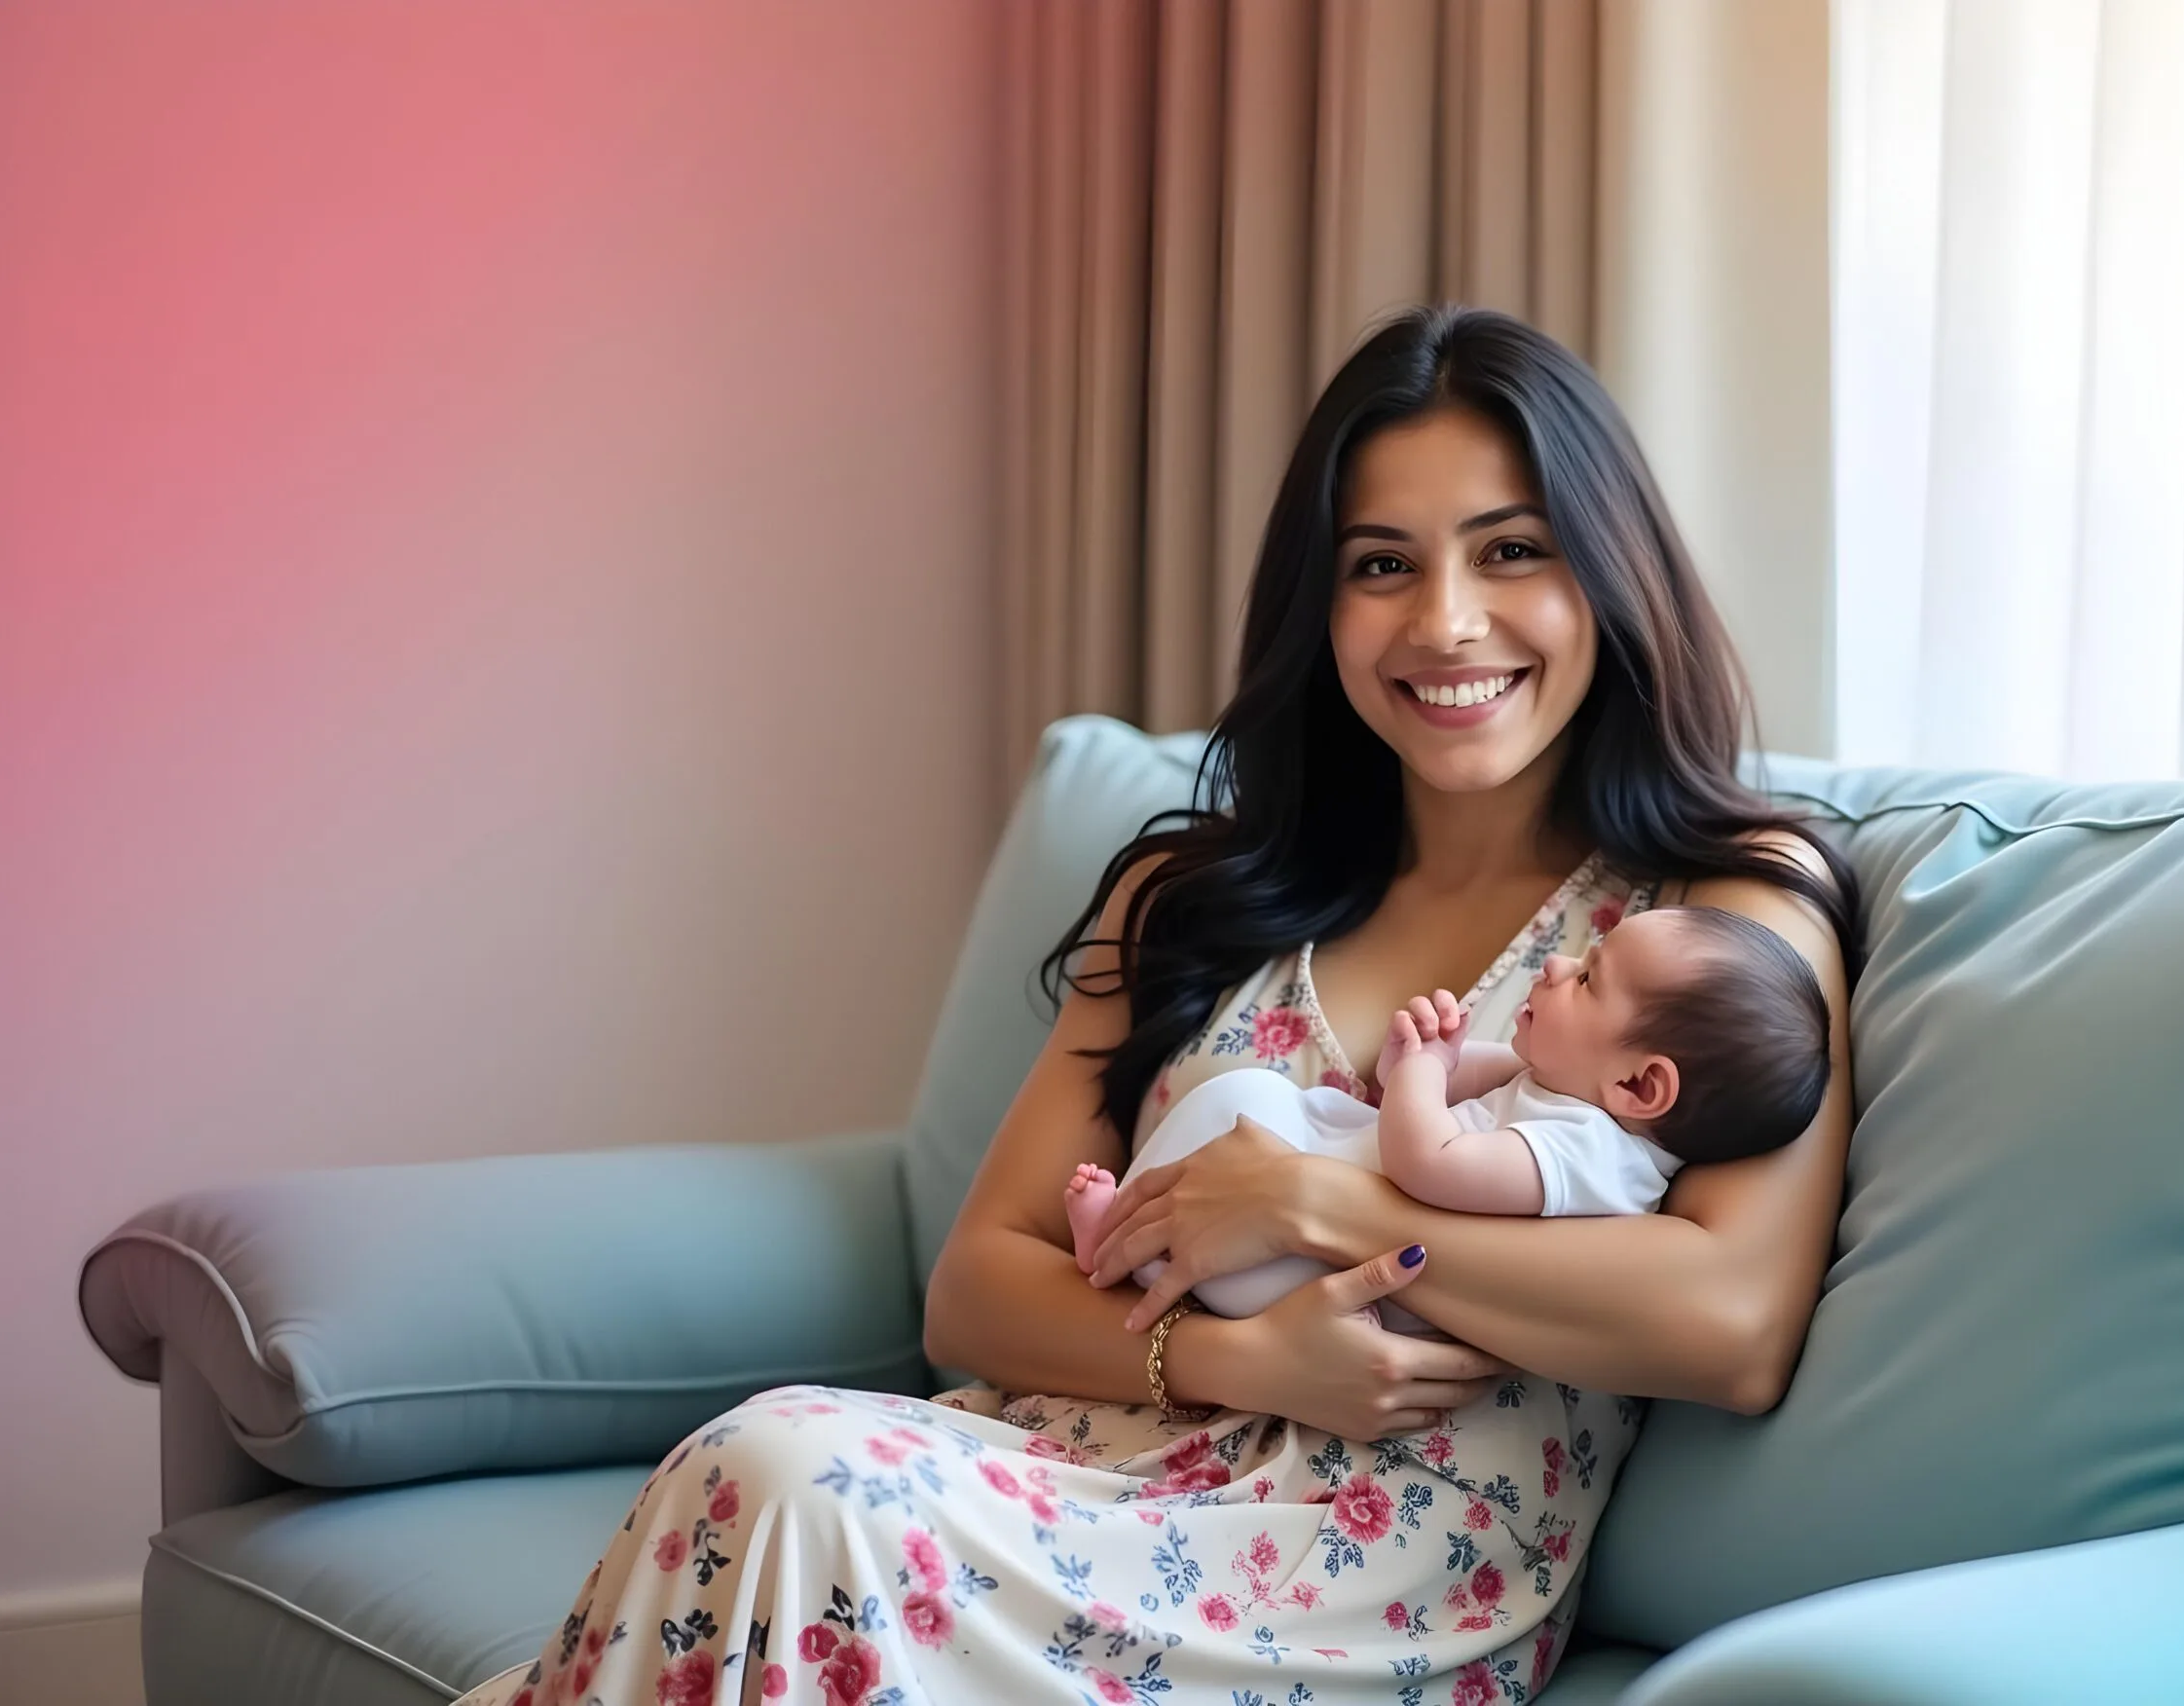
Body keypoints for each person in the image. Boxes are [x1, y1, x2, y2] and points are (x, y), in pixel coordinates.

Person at [452, 305, 1862, 1706]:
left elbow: (1728, 1324)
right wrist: (1244, 1359)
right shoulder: (1196, 895)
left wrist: (1320, 1207)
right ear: (1323, 606)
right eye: (1383, 564)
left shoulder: (1719, 909)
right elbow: (980, 1289)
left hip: (1344, 1595)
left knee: (786, 1479)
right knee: (766, 1470)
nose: (1445, 622)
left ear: (1608, 570)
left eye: (1511, 551)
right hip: (1057, 1480)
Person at [1065, 905, 1833, 1333]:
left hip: (1318, 1273)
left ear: (1638, 1084)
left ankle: (1129, 1249)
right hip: (1297, 1223)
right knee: (1248, 1103)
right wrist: (1427, 1053)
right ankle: (1130, 1238)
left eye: (1591, 979)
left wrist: (1423, 1078)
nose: (1559, 966)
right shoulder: (1559, 1086)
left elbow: (1429, 1162)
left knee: (1250, 1104)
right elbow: (1435, 1084)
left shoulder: (1590, 1156)